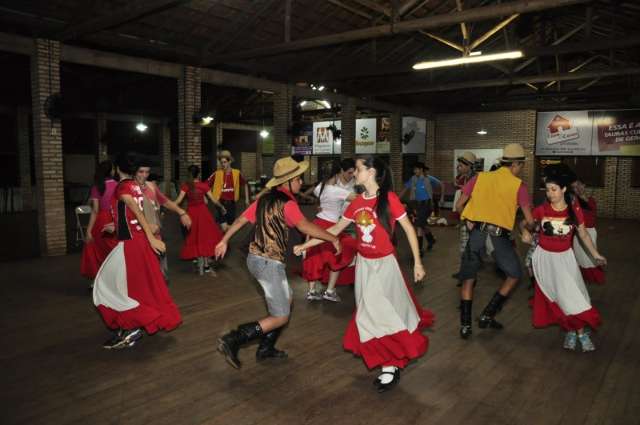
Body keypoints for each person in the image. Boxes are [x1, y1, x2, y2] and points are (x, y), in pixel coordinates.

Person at [295, 156, 434, 393]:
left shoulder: (388, 199)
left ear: (371, 172)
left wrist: (418, 264)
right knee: (368, 316)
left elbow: (409, 229)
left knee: (383, 314)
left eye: (359, 169)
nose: (355, 173)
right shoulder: (357, 202)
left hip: (386, 266)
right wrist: (306, 246)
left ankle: (390, 365)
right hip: (365, 266)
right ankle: (389, 363)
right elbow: (334, 230)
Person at [214, 157, 341, 369]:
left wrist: (224, 240)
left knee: (288, 301)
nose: (301, 182)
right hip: (268, 263)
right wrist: (333, 238)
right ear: (288, 181)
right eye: (299, 179)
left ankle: (265, 348)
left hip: (256, 260)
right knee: (281, 316)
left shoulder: (263, 200)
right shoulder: (288, 203)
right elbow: (305, 226)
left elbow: (240, 221)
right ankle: (233, 339)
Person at [93, 152, 182, 349]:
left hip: (133, 244)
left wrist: (151, 238)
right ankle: (133, 326)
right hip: (136, 241)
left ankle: (133, 326)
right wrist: (117, 226)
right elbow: (130, 214)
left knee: (110, 287)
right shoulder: (134, 186)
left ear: (117, 168)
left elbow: (136, 210)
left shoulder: (123, 186)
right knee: (133, 287)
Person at [455, 143, 535, 339]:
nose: (521, 169)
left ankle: (465, 326)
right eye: (521, 165)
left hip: (477, 234)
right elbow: (530, 220)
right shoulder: (519, 186)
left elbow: (459, 205)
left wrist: (469, 219)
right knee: (514, 274)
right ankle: (487, 315)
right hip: (499, 238)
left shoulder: (480, 177)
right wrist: (526, 228)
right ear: (516, 164)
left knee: (468, 277)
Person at [522, 168, 606, 352]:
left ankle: (582, 334)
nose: (550, 193)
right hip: (545, 260)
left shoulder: (574, 210)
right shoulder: (541, 210)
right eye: (547, 189)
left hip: (565, 259)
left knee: (573, 297)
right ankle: (570, 330)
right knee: (557, 299)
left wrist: (595, 254)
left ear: (564, 190)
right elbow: (526, 223)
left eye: (554, 189)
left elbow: (583, 234)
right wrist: (525, 232)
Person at [302, 160, 358, 302]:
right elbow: (359, 200)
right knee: (337, 257)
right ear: (338, 173)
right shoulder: (338, 191)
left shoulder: (320, 187)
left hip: (317, 223)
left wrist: (321, 206)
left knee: (314, 257)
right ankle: (330, 291)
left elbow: (319, 201)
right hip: (331, 227)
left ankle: (312, 291)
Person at [134, 162, 192, 281]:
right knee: (142, 273)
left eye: (147, 172)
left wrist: (181, 212)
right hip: (138, 235)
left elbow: (164, 201)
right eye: (141, 172)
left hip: (156, 234)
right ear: (134, 172)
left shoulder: (151, 186)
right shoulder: (129, 188)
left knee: (159, 272)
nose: (144, 175)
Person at [175, 165, 226, 275]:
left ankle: (199, 263)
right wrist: (221, 207)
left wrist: (167, 206)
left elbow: (178, 201)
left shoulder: (186, 186)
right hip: (203, 214)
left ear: (189, 174)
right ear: (198, 174)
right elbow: (213, 200)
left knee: (195, 237)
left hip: (191, 214)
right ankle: (206, 266)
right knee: (205, 237)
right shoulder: (204, 186)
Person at [81, 160, 118, 282]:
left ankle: (98, 281)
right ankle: (114, 279)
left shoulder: (97, 187)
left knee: (96, 249)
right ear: (111, 171)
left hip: (100, 221)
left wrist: (88, 230)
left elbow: (95, 210)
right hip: (115, 219)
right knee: (114, 250)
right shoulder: (118, 185)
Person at [398, 162, 441, 255]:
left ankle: (419, 249)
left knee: (419, 225)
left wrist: (440, 198)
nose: (414, 171)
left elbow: (440, 184)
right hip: (418, 205)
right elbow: (405, 189)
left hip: (427, 205)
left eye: (416, 169)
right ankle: (431, 239)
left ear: (421, 169)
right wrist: (397, 200)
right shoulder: (413, 179)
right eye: (414, 169)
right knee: (422, 224)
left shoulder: (429, 179)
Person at [571, 178, 605, 284]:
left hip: (590, 232)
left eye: (579, 185)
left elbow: (591, 218)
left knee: (590, 255)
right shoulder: (573, 202)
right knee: (579, 256)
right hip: (578, 233)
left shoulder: (591, 201)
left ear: (584, 185)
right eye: (574, 187)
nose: (578, 188)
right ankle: (582, 277)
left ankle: (595, 276)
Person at [207, 150, 250, 232]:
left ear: (229, 161)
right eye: (221, 162)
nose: (223, 164)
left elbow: (244, 184)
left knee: (229, 228)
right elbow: (205, 186)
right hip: (220, 203)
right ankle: (224, 241)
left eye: (225, 162)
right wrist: (207, 197)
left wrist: (247, 199)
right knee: (224, 227)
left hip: (232, 204)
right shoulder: (217, 173)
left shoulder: (237, 173)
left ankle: (225, 242)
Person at [452, 152, 477, 283]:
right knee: (464, 246)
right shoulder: (466, 178)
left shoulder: (475, 179)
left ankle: (469, 276)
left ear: (469, 166)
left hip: (472, 218)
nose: (458, 168)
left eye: (461, 165)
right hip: (466, 216)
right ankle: (464, 272)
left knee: (469, 248)